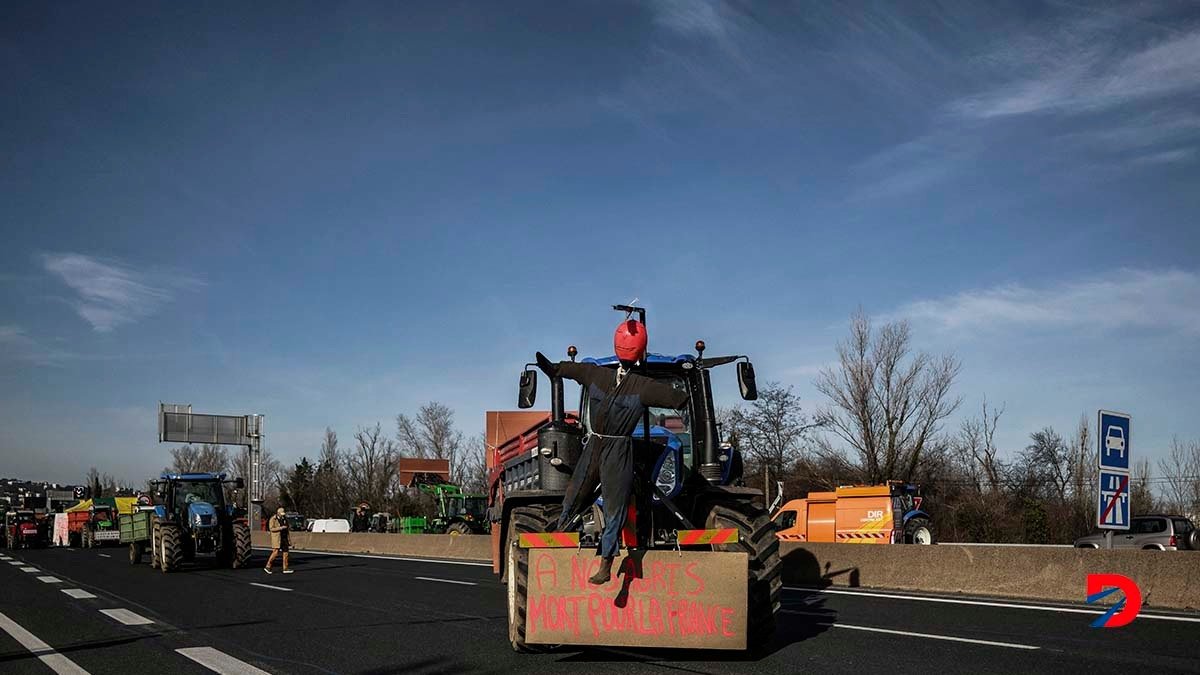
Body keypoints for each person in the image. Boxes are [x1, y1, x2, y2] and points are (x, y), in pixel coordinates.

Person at [535, 318, 690, 585]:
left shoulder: (594, 374)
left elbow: (568, 369)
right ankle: (592, 554)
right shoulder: (643, 386)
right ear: (641, 352)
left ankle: (600, 558)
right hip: (606, 446)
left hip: (610, 446)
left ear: (616, 345)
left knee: (582, 495)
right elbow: (678, 398)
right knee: (604, 503)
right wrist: (680, 393)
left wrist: (553, 368)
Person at [264, 507, 293, 574]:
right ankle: (268, 566)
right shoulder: (273, 519)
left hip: (284, 538)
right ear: (278, 513)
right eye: (281, 514)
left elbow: (287, 527)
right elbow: (271, 529)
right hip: (277, 538)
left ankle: (285, 568)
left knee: (286, 553)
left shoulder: (285, 518)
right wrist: (280, 528)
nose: (283, 515)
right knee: (275, 552)